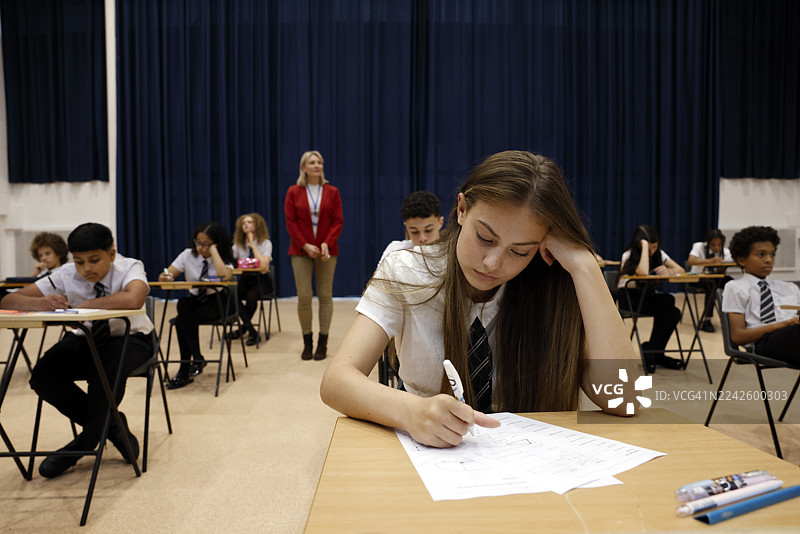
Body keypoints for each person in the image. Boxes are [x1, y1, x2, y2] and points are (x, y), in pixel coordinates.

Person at [320, 151, 638, 449]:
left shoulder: (553, 283)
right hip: (432, 458)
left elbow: (626, 398)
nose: (492, 263)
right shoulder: (407, 270)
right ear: (461, 210)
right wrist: (411, 411)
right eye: (485, 238)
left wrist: (584, 266)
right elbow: (337, 381)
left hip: (529, 461)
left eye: (520, 251)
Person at [1, 223, 153, 478]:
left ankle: (84, 443)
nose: (86, 269)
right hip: (86, 337)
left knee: (104, 372)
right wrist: (41, 302)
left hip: (131, 338)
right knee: (43, 376)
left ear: (112, 254)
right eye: (79, 262)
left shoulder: (129, 266)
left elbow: (133, 299)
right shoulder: (65, 273)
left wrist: (88, 305)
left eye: (94, 260)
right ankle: (114, 427)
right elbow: (8, 300)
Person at [159, 222, 235, 389]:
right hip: (194, 302)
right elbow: (167, 272)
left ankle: (186, 368)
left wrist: (214, 251)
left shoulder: (223, 256)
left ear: (216, 243)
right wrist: (165, 275)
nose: (200, 248)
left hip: (218, 302)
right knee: (184, 306)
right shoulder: (188, 254)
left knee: (182, 319)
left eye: (206, 244)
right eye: (198, 242)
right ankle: (195, 360)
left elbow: (225, 277)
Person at [285, 150, 343, 361]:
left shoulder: (332, 191)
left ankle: (323, 341)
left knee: (326, 295)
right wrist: (305, 245)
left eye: (319, 162)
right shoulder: (294, 191)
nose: (317, 165)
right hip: (301, 250)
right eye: (312, 162)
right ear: (304, 168)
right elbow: (291, 222)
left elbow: (338, 221)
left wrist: (327, 243)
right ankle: (307, 341)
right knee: (304, 296)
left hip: (328, 250)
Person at [722, 226, 799, 365]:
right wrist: (785, 324)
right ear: (741, 260)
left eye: (772, 254)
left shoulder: (790, 288)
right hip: (764, 343)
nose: (769, 260)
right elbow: (738, 336)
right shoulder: (735, 287)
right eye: (761, 254)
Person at [615, 225, 684, 372]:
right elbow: (643, 273)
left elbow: (681, 270)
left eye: (654, 247)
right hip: (629, 299)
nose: (653, 252)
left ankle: (653, 350)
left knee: (674, 311)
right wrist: (645, 248)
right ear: (639, 244)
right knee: (668, 304)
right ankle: (653, 352)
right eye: (649, 248)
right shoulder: (628, 255)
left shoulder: (659, 253)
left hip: (646, 297)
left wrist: (668, 270)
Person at [230, 213, 273, 346]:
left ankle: (244, 328)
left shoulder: (265, 243)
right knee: (233, 294)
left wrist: (253, 246)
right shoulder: (238, 245)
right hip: (245, 278)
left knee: (252, 295)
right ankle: (251, 330)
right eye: (243, 223)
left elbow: (264, 265)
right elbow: (231, 263)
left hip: (261, 280)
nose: (246, 225)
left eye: (249, 222)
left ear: (257, 225)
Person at [686, 229, 734, 332]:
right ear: (708, 243)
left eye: (719, 245)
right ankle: (706, 319)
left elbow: (722, 272)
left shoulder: (725, 252)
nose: (716, 248)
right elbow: (691, 261)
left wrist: (723, 265)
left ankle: (733, 318)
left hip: (715, 278)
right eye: (713, 245)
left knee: (731, 284)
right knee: (712, 286)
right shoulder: (699, 246)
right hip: (697, 278)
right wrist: (710, 261)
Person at [379, 191, 444, 263]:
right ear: (406, 227)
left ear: (440, 222)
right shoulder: (395, 250)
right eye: (414, 232)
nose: (422, 238)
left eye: (428, 230)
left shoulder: (451, 252)